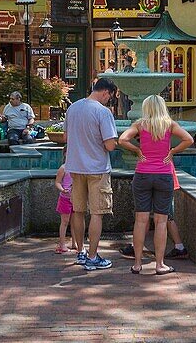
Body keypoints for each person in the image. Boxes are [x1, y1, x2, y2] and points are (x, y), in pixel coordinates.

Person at [118, 94, 193, 275]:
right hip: (163, 175)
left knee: (140, 220)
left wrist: (137, 150)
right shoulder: (169, 124)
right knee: (161, 221)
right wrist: (173, 151)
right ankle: (159, 265)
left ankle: (137, 264)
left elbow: (122, 139)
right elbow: (189, 139)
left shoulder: (140, 124)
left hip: (142, 174)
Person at [63, 77, 119, 271]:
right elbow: (110, 145)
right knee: (97, 212)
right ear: (106, 92)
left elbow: (65, 137)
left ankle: (80, 252)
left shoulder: (73, 108)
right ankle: (93, 257)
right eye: (110, 97)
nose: (108, 101)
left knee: (77, 211)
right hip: (97, 169)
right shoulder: (103, 112)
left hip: (75, 167)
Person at [54, 163, 77, 254]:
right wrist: (63, 189)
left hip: (76, 198)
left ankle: (75, 243)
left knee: (75, 222)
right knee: (65, 221)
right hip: (65, 198)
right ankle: (62, 244)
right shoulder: (63, 168)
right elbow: (57, 182)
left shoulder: (77, 166)